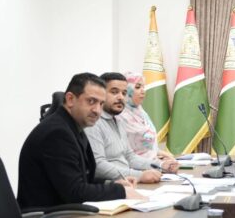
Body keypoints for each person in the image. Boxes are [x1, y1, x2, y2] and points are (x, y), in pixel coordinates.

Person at [17, 73, 144, 209]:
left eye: (101, 103)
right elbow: (75, 192)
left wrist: (111, 184)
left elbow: (82, 178)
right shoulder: (57, 133)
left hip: (63, 212)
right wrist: (121, 191)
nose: (97, 110)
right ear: (70, 99)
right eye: (91, 101)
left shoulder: (73, 127)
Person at [86, 72, 178, 183]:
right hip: (111, 186)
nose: (121, 97)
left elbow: (130, 157)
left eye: (124, 93)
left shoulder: (118, 121)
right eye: (114, 92)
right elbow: (98, 166)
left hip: (128, 182)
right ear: (101, 94)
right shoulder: (93, 123)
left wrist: (161, 165)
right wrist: (139, 175)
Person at [118, 72, 173, 161]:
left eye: (143, 87)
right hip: (132, 166)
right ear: (126, 91)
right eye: (137, 87)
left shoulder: (141, 112)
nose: (143, 91)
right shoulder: (120, 115)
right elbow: (128, 150)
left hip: (151, 163)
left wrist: (161, 154)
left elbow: (147, 146)